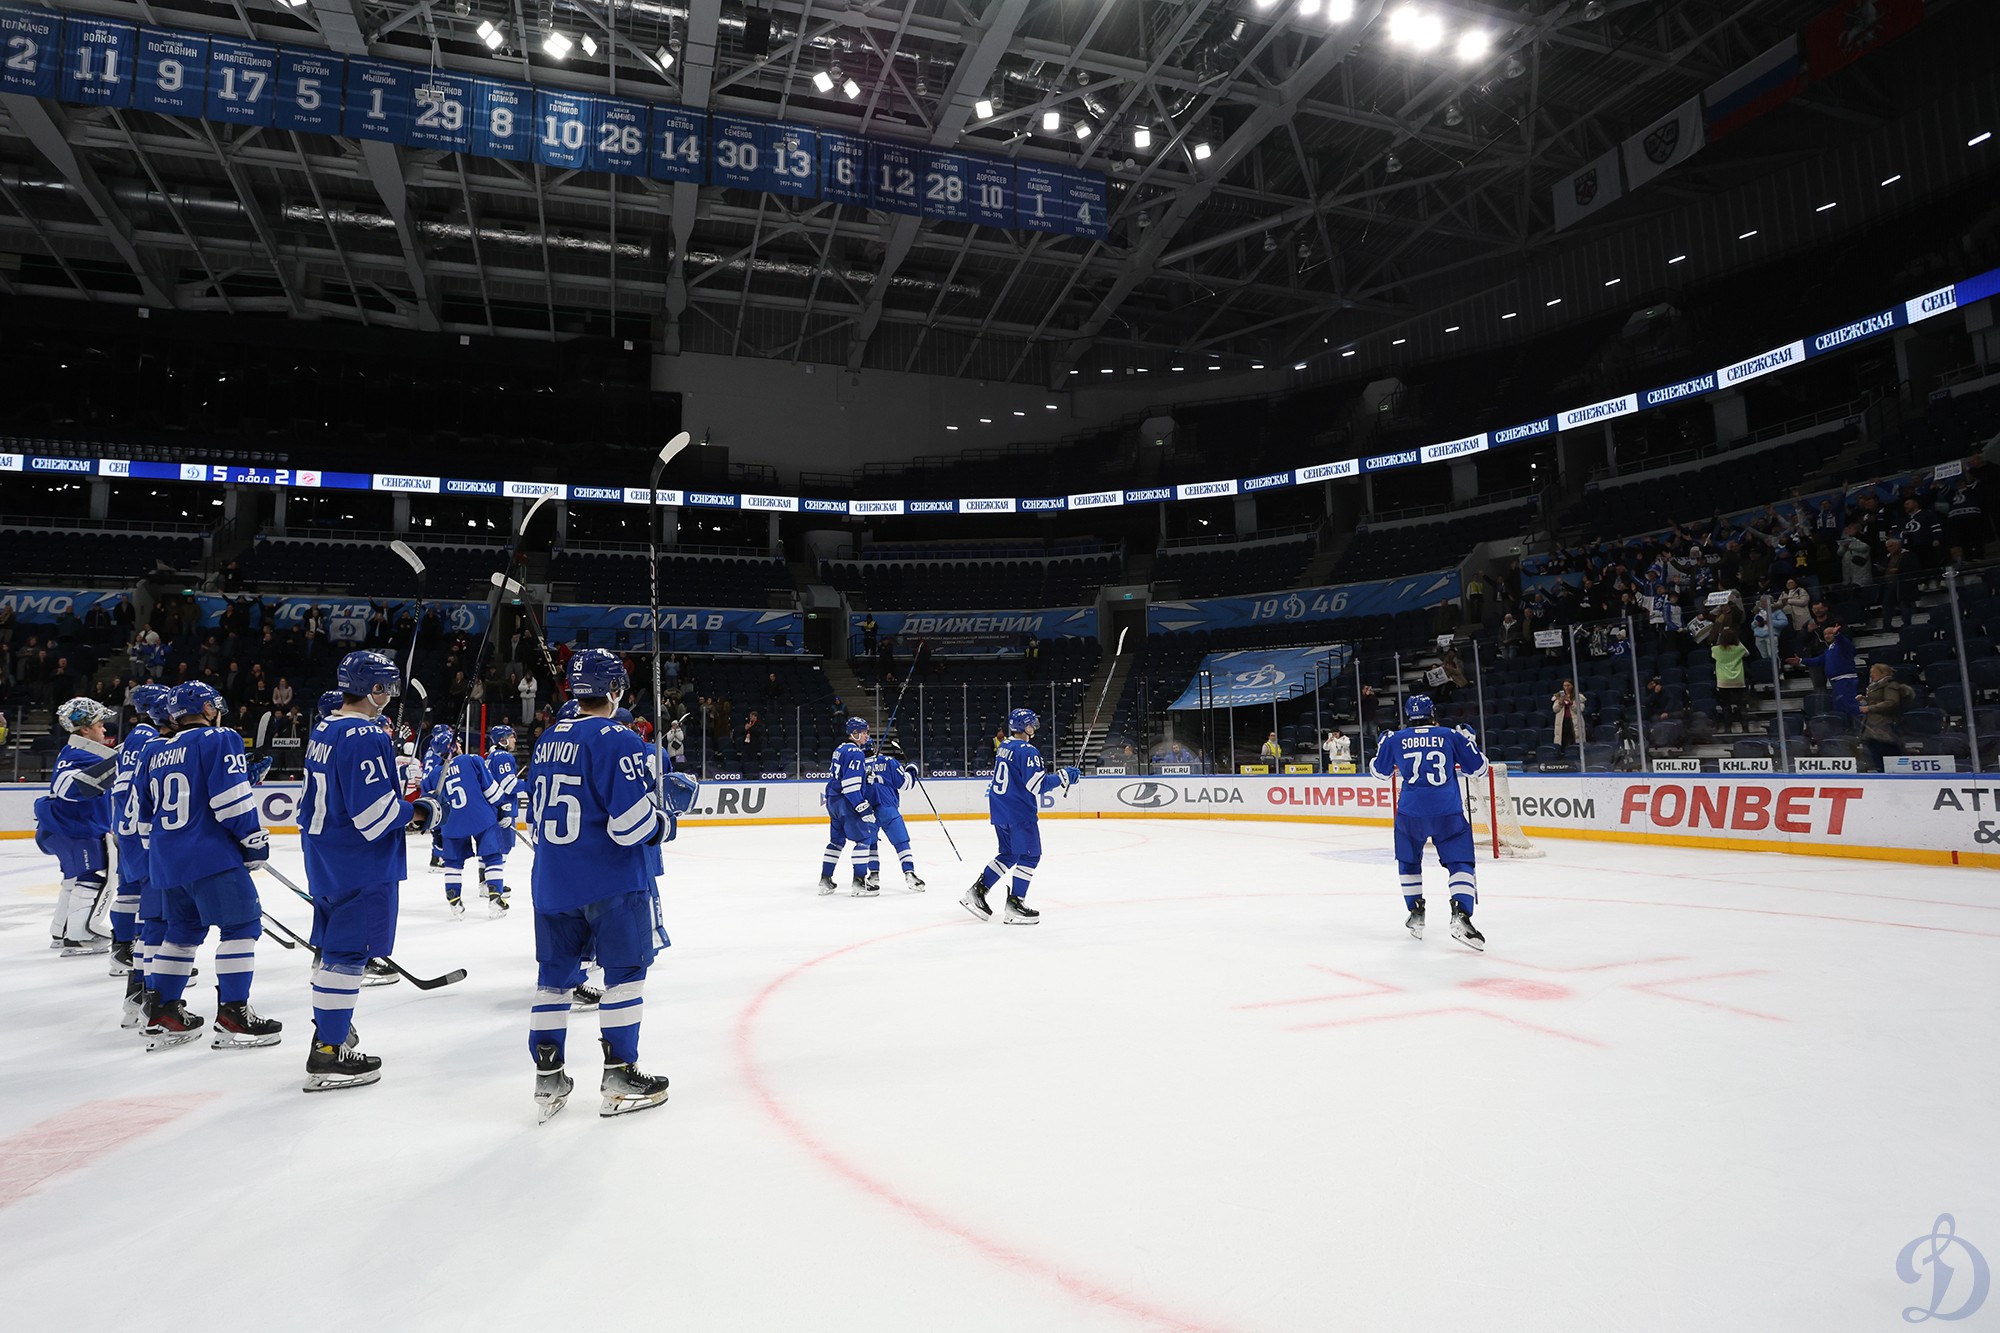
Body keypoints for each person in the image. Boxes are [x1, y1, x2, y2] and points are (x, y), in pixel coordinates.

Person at [525, 648, 695, 1121]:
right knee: (624, 975)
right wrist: (667, 819)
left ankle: (547, 1077)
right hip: (610, 882)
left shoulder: (546, 739)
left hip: (552, 882)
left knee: (553, 981)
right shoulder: (619, 738)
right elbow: (630, 826)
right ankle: (620, 1073)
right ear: (616, 689)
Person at [298, 651, 436, 1092]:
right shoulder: (365, 733)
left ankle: (330, 1029)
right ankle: (328, 1051)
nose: (390, 695)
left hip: (325, 855)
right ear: (373, 689)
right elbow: (374, 815)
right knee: (348, 955)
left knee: (333, 950)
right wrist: (421, 811)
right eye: (387, 687)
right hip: (360, 861)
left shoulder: (326, 727)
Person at [133, 682, 282, 1051]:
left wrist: (164, 853)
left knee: (181, 931)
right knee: (242, 926)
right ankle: (234, 1016)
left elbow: (143, 817)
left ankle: (163, 1014)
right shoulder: (219, 738)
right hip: (210, 855)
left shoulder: (153, 750)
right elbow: (232, 802)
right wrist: (253, 841)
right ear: (207, 709)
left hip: (166, 860)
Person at [1369, 694, 1487, 951]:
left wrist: (1382, 746)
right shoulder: (1450, 735)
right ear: (1433, 713)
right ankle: (1461, 914)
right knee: (1460, 862)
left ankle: (1416, 912)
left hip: (1410, 813)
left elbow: (1379, 773)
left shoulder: (1395, 738)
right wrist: (1470, 742)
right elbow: (1478, 769)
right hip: (1447, 811)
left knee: (1409, 861)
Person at [962, 708, 1078, 926]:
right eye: (1031, 723)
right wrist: (1063, 777)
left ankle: (977, 891)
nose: (1034, 727)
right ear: (1025, 727)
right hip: (1019, 811)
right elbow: (1037, 785)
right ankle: (1015, 903)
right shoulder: (1028, 751)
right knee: (1031, 856)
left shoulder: (1004, 746)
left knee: (1009, 854)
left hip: (1000, 809)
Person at [35, 697, 121, 956]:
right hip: (79, 830)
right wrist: (119, 762)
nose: (104, 729)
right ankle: (80, 935)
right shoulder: (79, 754)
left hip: (64, 829)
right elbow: (68, 787)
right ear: (84, 729)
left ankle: (61, 931)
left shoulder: (75, 752)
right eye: (99, 724)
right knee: (93, 877)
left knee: (73, 879)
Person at [107, 684, 172, 1017]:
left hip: (131, 830)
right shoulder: (147, 737)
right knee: (155, 916)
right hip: (141, 835)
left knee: (139, 899)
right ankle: (143, 983)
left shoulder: (140, 736)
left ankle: (135, 964)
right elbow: (131, 789)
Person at [437, 727, 510, 918]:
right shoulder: (472, 760)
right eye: (457, 742)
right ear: (453, 746)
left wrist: (438, 832)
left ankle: (454, 900)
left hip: (451, 824)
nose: (460, 744)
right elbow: (493, 792)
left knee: (453, 862)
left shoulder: (434, 774)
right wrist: (501, 809)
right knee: (493, 856)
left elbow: (432, 809)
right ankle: (495, 898)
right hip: (481, 818)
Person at [818, 717, 879, 895]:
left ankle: (825, 880)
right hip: (846, 802)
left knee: (836, 842)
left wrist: (864, 777)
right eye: (864, 732)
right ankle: (859, 883)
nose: (866, 736)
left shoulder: (840, 749)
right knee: (864, 839)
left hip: (833, 800)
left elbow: (844, 775)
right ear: (855, 733)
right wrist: (862, 807)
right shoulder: (856, 753)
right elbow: (850, 786)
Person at [862, 737, 926, 893]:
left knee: (871, 843)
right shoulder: (889, 761)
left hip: (866, 810)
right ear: (874, 747)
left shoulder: (855, 766)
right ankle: (909, 873)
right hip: (888, 808)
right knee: (901, 842)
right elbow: (906, 784)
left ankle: (873, 875)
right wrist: (912, 768)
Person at [1790, 625, 1860, 719]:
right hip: (1835, 682)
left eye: (1830, 633)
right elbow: (1818, 660)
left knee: (1849, 704)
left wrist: (1837, 634)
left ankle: (1860, 724)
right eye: (1825, 634)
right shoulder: (1828, 650)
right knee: (1839, 706)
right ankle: (1844, 725)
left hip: (1845, 680)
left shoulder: (1843, 645)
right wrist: (1801, 660)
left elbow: (1844, 642)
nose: (1827, 636)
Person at [1859, 662, 1914, 771]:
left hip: (1884, 726)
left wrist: (1870, 708)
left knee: (1886, 752)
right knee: (1875, 753)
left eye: (1874, 672)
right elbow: (1876, 700)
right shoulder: (1874, 686)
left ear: (1882, 673)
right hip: (1872, 727)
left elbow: (1891, 702)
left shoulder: (1890, 685)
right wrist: (1864, 699)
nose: (1871, 675)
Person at [1712, 629, 1749, 733]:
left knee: (1726, 705)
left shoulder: (1715, 649)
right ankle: (1745, 727)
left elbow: (1713, 655)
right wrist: (1737, 641)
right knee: (1740, 704)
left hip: (1723, 681)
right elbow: (1747, 653)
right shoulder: (1739, 649)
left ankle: (1728, 728)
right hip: (1738, 680)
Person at [1551, 680, 1586, 750]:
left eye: (1568, 685)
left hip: (1574, 721)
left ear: (1572, 686)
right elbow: (1555, 709)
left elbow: (1580, 709)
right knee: (1563, 740)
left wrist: (1571, 703)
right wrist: (1560, 703)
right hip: (1562, 721)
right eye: (1565, 686)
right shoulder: (1559, 696)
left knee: (1575, 739)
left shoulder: (1578, 696)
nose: (1566, 687)